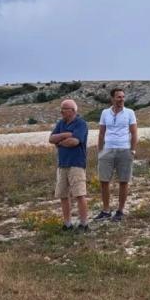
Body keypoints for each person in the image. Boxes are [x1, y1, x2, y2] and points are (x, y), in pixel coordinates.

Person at [95, 88, 138, 222]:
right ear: (112, 98)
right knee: (104, 181)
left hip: (124, 149)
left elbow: (134, 133)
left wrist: (133, 150)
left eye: (123, 97)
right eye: (119, 97)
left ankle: (120, 210)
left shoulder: (130, 112)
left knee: (123, 181)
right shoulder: (105, 113)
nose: (121, 99)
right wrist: (100, 151)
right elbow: (101, 133)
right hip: (107, 150)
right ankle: (106, 210)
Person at [49, 99, 90, 232]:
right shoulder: (61, 123)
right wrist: (65, 135)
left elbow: (74, 142)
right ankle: (67, 224)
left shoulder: (81, 123)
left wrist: (59, 142)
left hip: (76, 164)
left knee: (79, 194)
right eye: (61, 108)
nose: (61, 111)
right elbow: (51, 139)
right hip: (62, 164)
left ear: (73, 110)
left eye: (64, 109)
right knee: (63, 195)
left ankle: (84, 224)